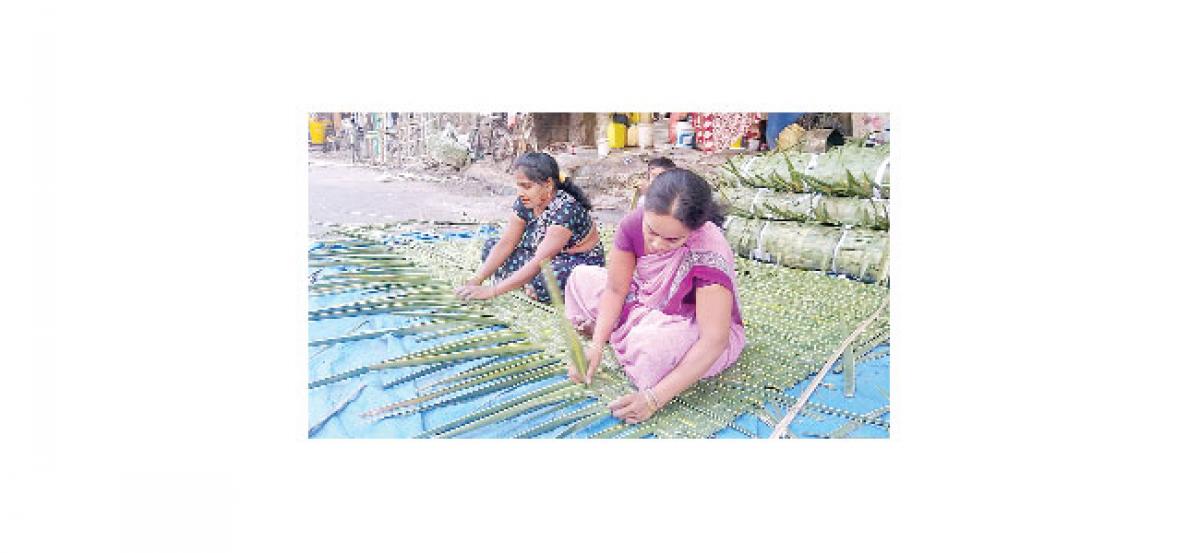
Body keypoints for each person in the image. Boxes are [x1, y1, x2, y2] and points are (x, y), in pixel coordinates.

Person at [564, 169, 746, 424]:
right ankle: (619, 332)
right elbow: (616, 289)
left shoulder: (708, 250)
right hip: (641, 300)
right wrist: (595, 346)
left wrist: (654, 399)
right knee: (580, 278)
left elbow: (714, 339)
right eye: (652, 231)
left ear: (694, 229)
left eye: (672, 239)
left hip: (685, 323)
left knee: (655, 350)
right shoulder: (632, 224)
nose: (658, 244)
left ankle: (623, 332)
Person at [454, 152, 605, 303]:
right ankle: (527, 284)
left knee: (548, 278)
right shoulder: (526, 201)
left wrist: (491, 292)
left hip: (574, 263)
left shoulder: (566, 210)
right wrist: (477, 279)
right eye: (519, 186)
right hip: (541, 255)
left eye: (527, 186)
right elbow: (507, 243)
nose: (520, 193)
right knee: (491, 247)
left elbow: (540, 261)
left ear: (548, 185)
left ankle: (529, 284)